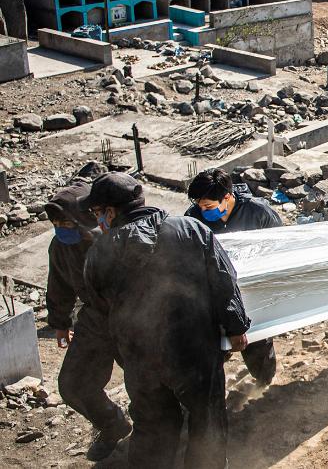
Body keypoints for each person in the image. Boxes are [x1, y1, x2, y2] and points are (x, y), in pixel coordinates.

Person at [81, 172, 250, 469]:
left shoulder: (99, 253)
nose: (99, 221)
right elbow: (223, 281)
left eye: (98, 213)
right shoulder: (190, 228)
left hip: (140, 358)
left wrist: (120, 354)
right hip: (194, 350)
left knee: (152, 424)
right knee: (206, 419)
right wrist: (236, 328)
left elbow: (97, 309)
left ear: (111, 211)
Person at [45, 182, 131, 461]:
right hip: (95, 318)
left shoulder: (114, 239)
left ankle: (164, 431)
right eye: (56, 223)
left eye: (67, 222)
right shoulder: (60, 247)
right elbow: (58, 283)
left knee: (148, 383)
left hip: (131, 317)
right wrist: (60, 321)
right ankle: (113, 425)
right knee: (73, 384)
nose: (61, 228)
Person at [184, 168, 281, 387]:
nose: (202, 210)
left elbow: (280, 244)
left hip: (252, 292)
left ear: (227, 197)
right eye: (199, 205)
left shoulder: (258, 212)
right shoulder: (194, 217)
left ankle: (264, 382)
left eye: (208, 206)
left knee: (257, 343)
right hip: (216, 294)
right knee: (214, 348)